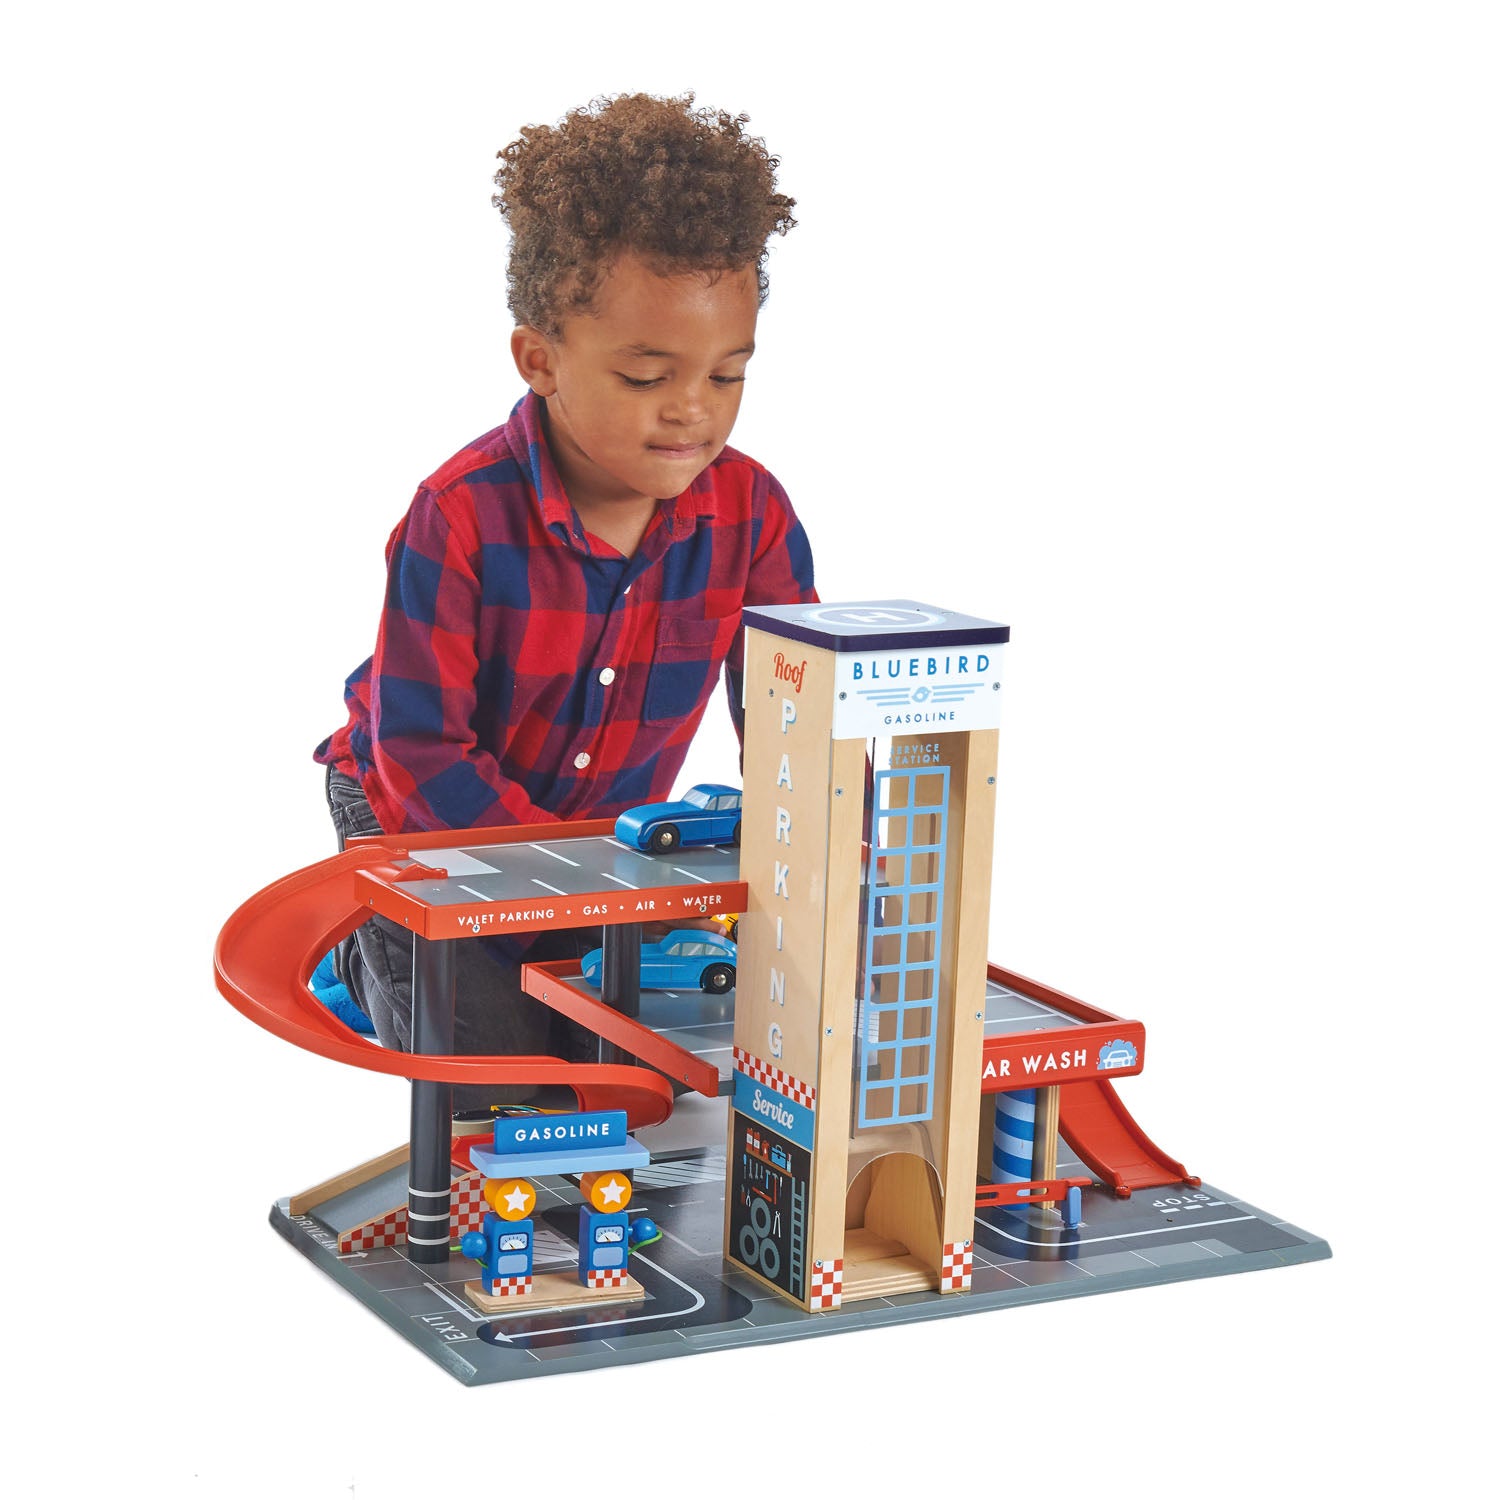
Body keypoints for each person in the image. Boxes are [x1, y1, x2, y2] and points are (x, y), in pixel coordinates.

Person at [314, 94, 816, 1101]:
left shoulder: (753, 513)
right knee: (495, 1076)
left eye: (727, 375)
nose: (692, 409)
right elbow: (419, 754)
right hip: (413, 810)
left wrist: (813, 850)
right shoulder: (455, 516)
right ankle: (370, 962)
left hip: (601, 836)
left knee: (632, 1068)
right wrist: (564, 896)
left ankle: (535, 959)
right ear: (540, 359)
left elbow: (789, 717)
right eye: (644, 375)